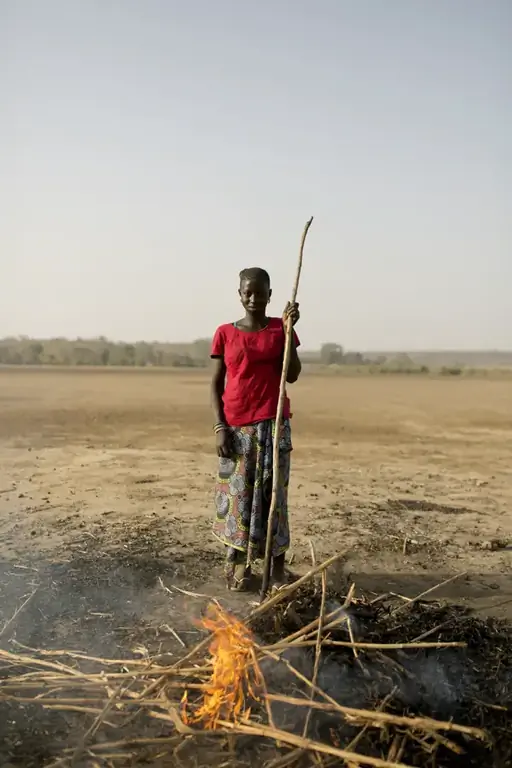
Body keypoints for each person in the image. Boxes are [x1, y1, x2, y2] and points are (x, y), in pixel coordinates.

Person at [210, 267, 301, 592]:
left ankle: (276, 569)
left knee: (274, 497)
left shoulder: (280, 330)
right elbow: (215, 384)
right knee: (239, 499)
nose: (253, 298)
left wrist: (289, 332)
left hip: (274, 424)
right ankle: (239, 567)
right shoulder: (224, 332)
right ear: (239, 294)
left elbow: (291, 374)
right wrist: (220, 426)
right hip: (237, 428)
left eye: (259, 292)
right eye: (247, 292)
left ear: (270, 295)